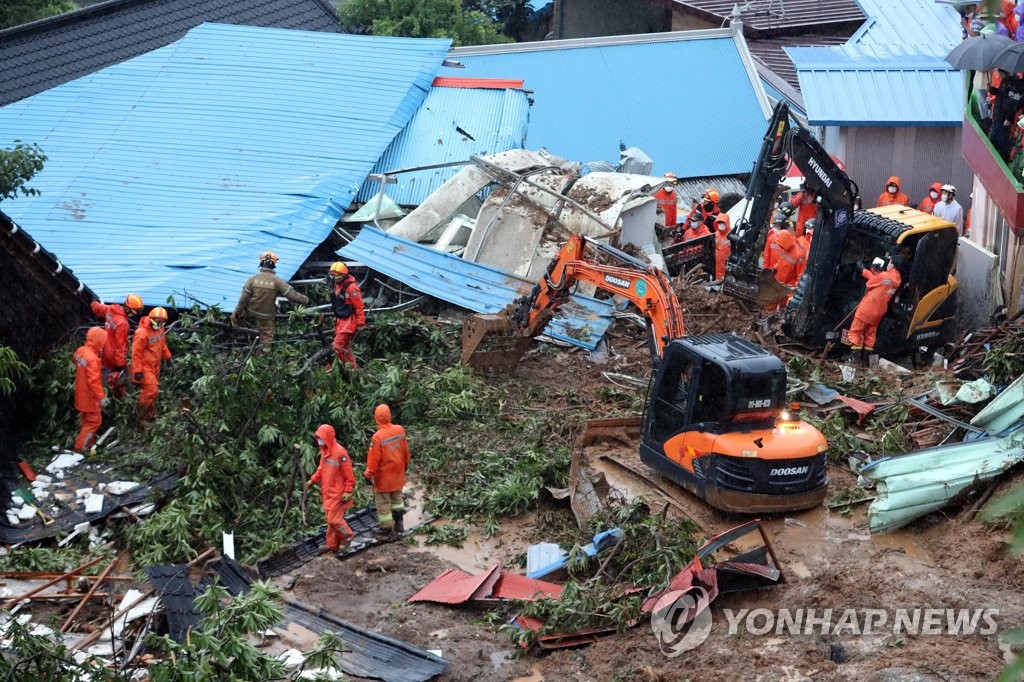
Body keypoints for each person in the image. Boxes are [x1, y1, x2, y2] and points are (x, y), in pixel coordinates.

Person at [231, 251, 310, 353]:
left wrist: (236, 314)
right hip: (266, 316)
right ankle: (263, 355)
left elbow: (243, 299)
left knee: (234, 319)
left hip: (249, 312)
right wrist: (306, 300)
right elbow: (292, 295)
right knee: (267, 338)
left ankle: (236, 342)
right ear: (274, 265)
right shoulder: (278, 281)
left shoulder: (252, 279)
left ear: (261, 263)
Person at [306, 424, 356, 554]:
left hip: (338, 494)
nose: (319, 441)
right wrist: (312, 480)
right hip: (328, 492)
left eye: (321, 438)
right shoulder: (325, 451)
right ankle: (333, 545)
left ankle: (348, 536)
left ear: (327, 437)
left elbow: (349, 476)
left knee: (334, 520)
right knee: (330, 521)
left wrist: (348, 491)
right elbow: (321, 470)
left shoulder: (340, 452)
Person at [364, 404, 411, 538]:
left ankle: (386, 530)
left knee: (383, 503)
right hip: (398, 474)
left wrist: (367, 475)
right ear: (389, 415)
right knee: (397, 499)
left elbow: (373, 461)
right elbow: (405, 451)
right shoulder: (400, 430)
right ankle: (399, 524)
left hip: (384, 478)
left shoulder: (377, 438)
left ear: (376, 418)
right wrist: (405, 466)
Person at [90, 294, 143, 398]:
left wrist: (94, 302)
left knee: (104, 376)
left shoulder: (111, 310)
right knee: (116, 385)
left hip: (104, 352)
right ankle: (115, 399)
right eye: (134, 311)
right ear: (127, 308)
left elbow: (99, 309)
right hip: (113, 358)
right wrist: (120, 365)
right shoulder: (123, 324)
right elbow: (121, 347)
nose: (134, 314)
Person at [848, 258, 902, 361]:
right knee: (870, 335)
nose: (888, 264)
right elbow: (879, 280)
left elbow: (870, 283)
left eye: (890, 261)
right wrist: (864, 271)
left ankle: (854, 360)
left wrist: (861, 269)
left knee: (855, 332)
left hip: (867, 309)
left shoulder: (884, 275)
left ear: (893, 265)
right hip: (879, 312)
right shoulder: (897, 279)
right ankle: (866, 360)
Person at [131, 306, 171, 426]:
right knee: (151, 390)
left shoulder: (160, 329)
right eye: (157, 321)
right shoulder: (142, 333)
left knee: (154, 393)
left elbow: (162, 345)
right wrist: (137, 370)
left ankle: (150, 416)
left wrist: (168, 357)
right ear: (151, 319)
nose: (159, 324)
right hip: (145, 367)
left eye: (162, 322)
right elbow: (136, 354)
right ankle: (140, 417)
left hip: (155, 365)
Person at [73, 327, 108, 453]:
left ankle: (88, 442)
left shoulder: (81, 351)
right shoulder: (93, 359)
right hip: (89, 396)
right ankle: (80, 448)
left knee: (86, 420)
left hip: (80, 392)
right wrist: (102, 397)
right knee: (94, 422)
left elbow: (76, 358)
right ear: (98, 341)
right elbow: (94, 381)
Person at [327, 262, 366, 370]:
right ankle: (354, 370)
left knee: (336, 348)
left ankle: (329, 370)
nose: (335, 279)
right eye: (333, 276)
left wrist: (361, 323)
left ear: (344, 275)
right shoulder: (337, 285)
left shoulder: (352, 288)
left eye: (337, 276)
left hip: (348, 323)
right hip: (340, 322)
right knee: (346, 350)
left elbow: (359, 307)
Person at [713, 213, 731, 281]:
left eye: (722, 223)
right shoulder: (716, 234)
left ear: (726, 223)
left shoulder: (731, 235)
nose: (720, 225)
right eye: (719, 223)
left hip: (725, 263)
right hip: (716, 262)